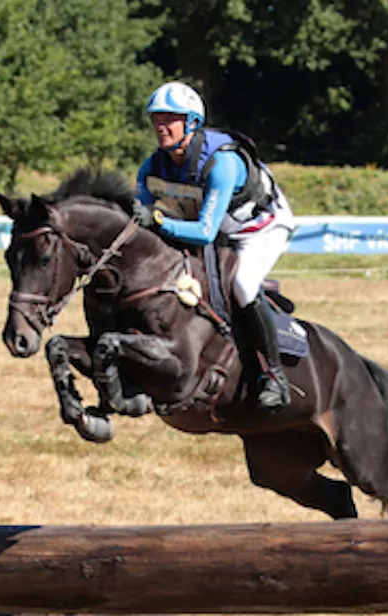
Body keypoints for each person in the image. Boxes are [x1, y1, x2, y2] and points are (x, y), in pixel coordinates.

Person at [132, 81, 295, 410]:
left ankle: (274, 377)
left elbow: (204, 232)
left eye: (170, 119)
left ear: (191, 122)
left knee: (242, 284)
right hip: (216, 228)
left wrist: (160, 222)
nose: (161, 127)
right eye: (156, 120)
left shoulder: (222, 163)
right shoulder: (152, 166)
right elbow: (141, 219)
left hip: (260, 229)